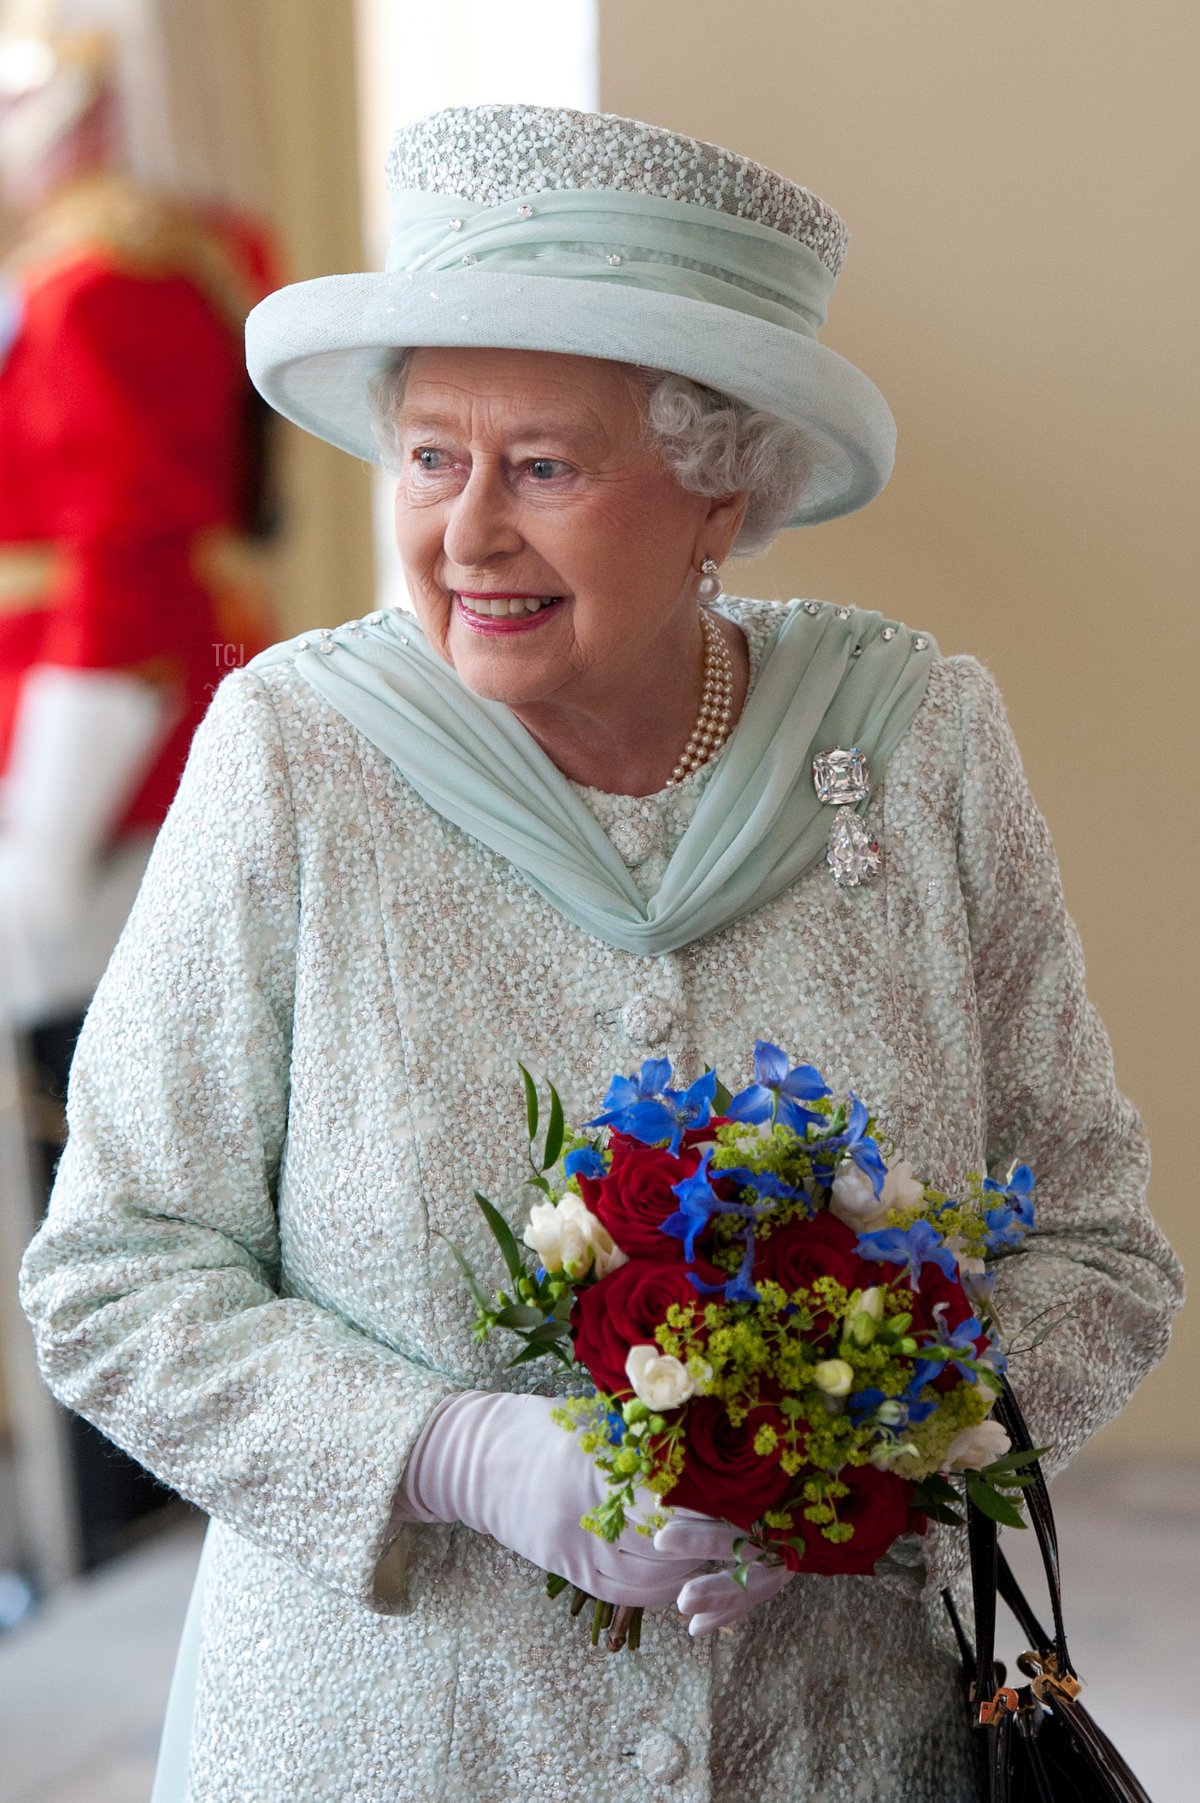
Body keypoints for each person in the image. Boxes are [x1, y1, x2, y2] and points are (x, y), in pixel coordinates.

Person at [19, 104, 1183, 1802]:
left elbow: (1094, 1252)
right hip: (404, 1745)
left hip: (838, 1744)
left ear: (722, 491)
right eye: (429, 456)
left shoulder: (917, 742)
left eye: (544, 467)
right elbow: (113, 1275)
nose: (465, 534)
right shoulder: (292, 755)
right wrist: (456, 1453)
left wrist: (868, 1465)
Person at [0, 0, 279, 1577]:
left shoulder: (107, 278)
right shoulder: (124, 259)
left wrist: (50, 823)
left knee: (103, 1127)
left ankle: (129, 1515)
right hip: (76, 725)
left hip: (105, 750)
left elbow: (119, 551)